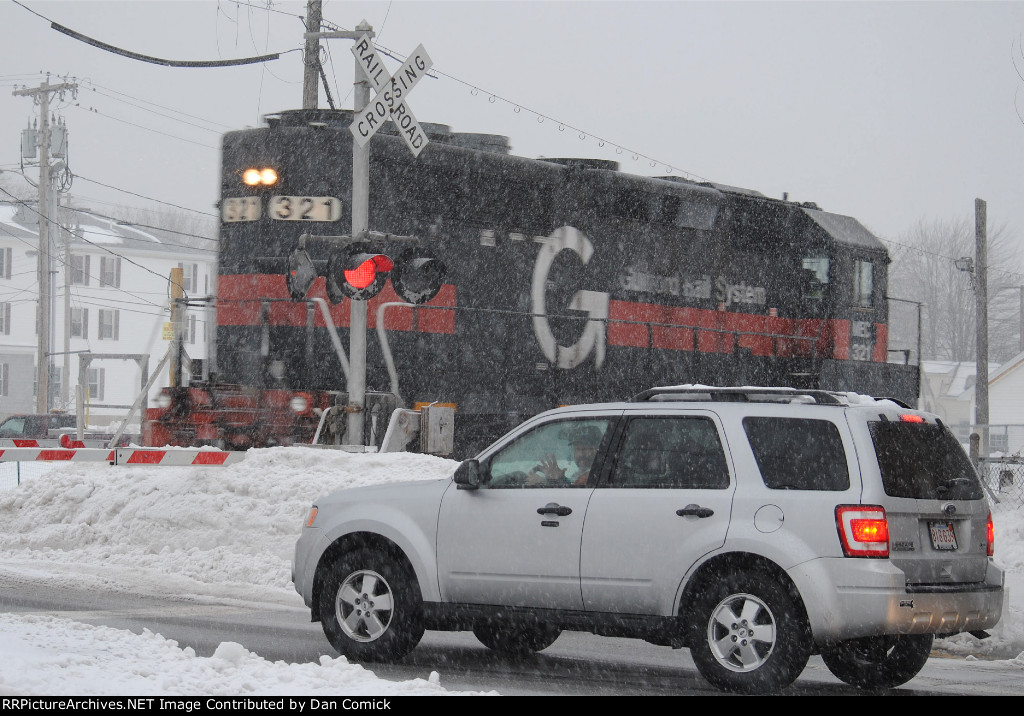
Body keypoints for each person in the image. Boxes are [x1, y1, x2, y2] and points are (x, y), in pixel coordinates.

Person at [526, 425, 602, 486]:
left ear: (598, 449)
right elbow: (573, 486)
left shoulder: (595, 475)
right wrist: (560, 479)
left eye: (585, 449)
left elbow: (575, 495)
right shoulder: (584, 473)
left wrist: (543, 483)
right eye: (577, 449)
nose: (580, 454)